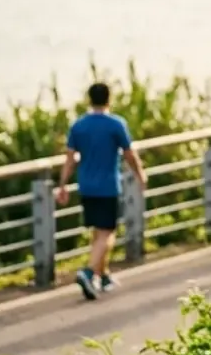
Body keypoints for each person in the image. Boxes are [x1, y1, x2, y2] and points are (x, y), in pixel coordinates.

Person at [57, 82, 147, 301]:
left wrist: (62, 185)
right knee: (107, 232)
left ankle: (103, 275)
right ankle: (88, 272)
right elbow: (129, 154)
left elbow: (69, 160)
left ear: (89, 99)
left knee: (98, 232)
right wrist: (140, 175)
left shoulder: (78, 126)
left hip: (86, 186)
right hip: (108, 186)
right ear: (109, 99)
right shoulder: (116, 124)